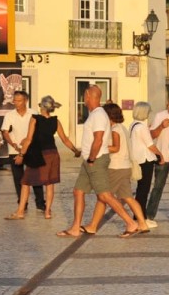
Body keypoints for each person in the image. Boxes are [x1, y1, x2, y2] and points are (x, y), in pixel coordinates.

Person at [57, 86, 140, 238]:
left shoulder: (99, 115)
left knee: (105, 196)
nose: (83, 98)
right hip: (88, 160)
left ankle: (131, 223)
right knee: (78, 191)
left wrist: (92, 158)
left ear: (88, 95)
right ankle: (76, 228)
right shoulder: (94, 114)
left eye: (84, 95)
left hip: (95, 160)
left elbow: (99, 139)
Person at [11, 95, 80, 220]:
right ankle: (47, 212)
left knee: (25, 182)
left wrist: (21, 154)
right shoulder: (55, 121)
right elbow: (64, 139)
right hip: (53, 154)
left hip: (38, 154)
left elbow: (28, 139)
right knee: (49, 183)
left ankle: (20, 211)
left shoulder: (35, 119)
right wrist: (75, 150)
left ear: (42, 107)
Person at [98, 102, 149, 237]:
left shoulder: (115, 130)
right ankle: (142, 224)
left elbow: (116, 148)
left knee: (104, 196)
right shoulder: (123, 127)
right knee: (128, 197)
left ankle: (130, 224)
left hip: (116, 167)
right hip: (125, 166)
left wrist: (100, 147)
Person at [1, 90, 47, 214]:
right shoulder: (9, 115)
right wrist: (14, 144)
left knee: (36, 177)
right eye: (15, 100)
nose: (16, 103)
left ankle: (40, 203)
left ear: (25, 101)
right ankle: (22, 203)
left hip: (32, 150)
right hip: (14, 150)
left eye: (19, 100)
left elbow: (38, 131)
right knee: (18, 178)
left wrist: (29, 141)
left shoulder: (34, 113)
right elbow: (5, 132)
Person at [129, 102, 160, 227]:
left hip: (138, 160)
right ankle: (141, 218)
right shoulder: (141, 127)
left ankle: (138, 216)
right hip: (146, 160)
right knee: (143, 190)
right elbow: (150, 145)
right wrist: (160, 155)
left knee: (140, 190)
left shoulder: (133, 125)